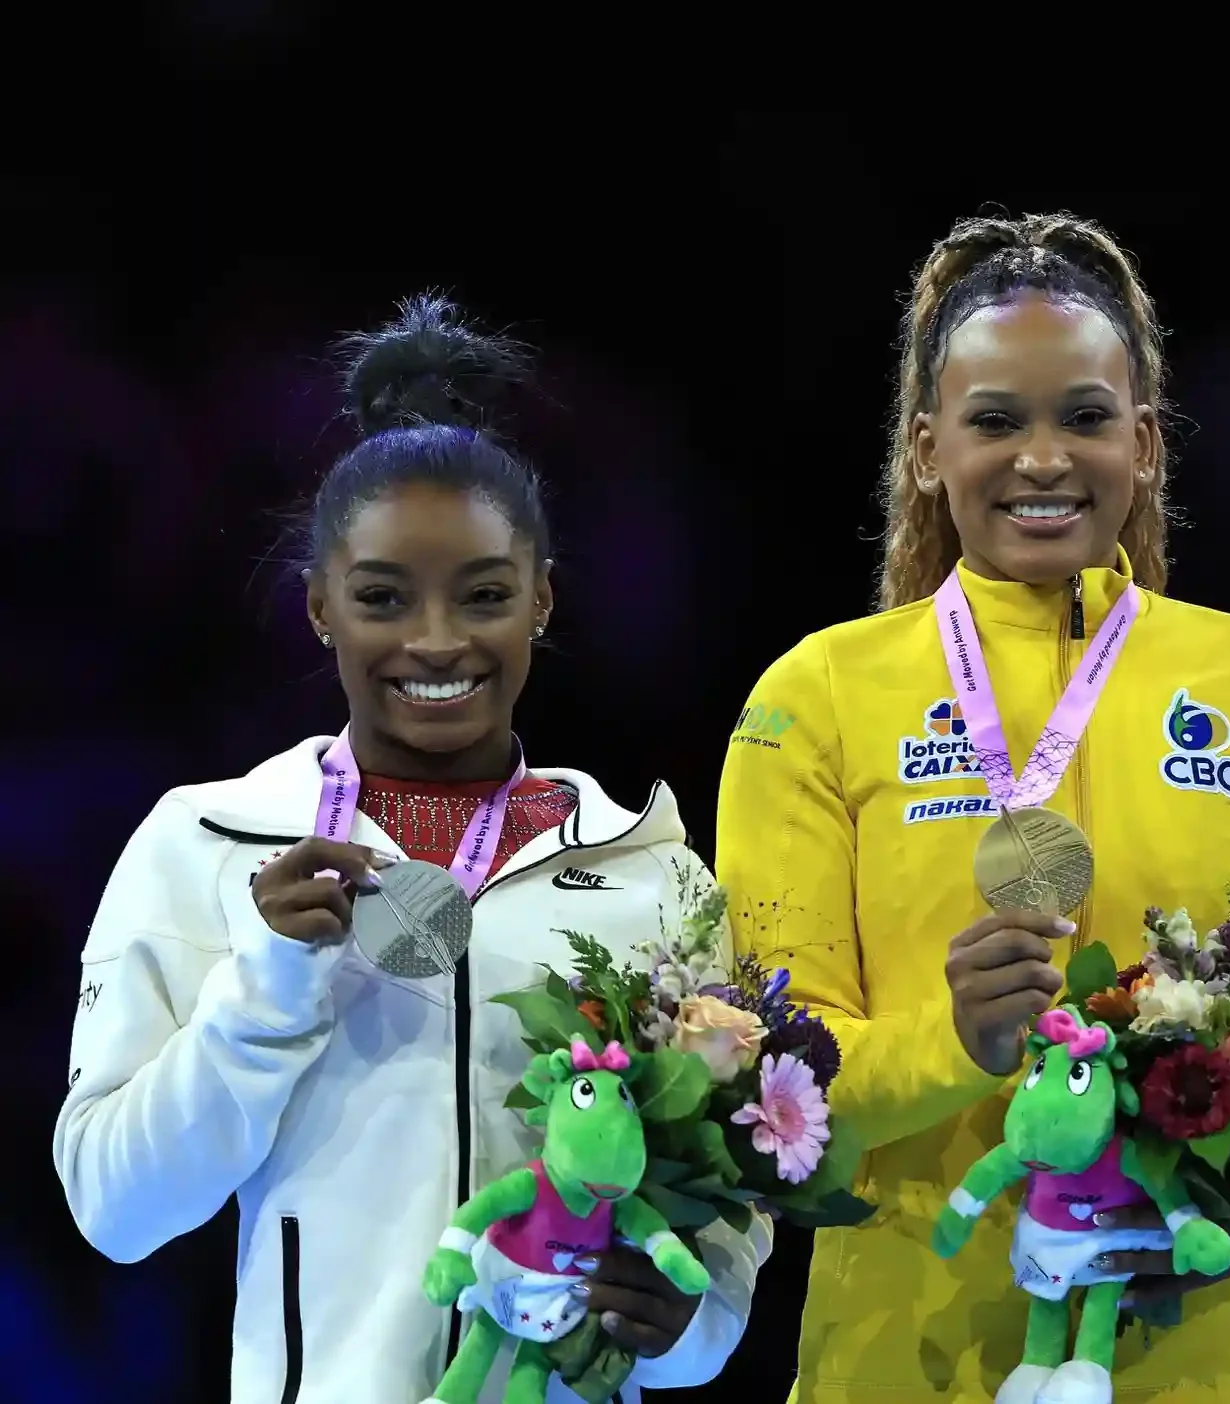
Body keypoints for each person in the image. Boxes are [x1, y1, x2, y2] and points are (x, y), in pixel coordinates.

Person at [52, 296, 769, 1404]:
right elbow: (114, 1210)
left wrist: (687, 1332)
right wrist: (268, 986)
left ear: (539, 599)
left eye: (481, 596)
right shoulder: (208, 839)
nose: (436, 642)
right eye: (384, 599)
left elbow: (724, 1227)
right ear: (320, 608)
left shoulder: (652, 876)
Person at [715, 212, 1230, 1404]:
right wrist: (954, 1045)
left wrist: (1205, 1225)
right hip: (890, 1365)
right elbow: (776, 1101)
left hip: (1186, 1364)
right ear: (925, 448)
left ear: (1147, 442)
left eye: (1083, 417)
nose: (1043, 459)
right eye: (995, 422)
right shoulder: (811, 699)